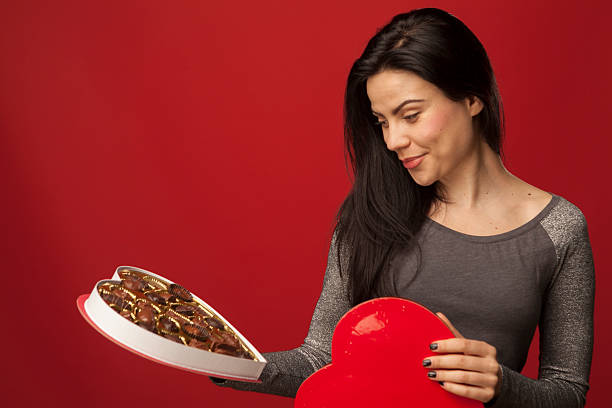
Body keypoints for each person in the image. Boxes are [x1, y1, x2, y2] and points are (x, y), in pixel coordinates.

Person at [210, 7, 595, 407]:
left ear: (472, 97)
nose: (393, 141)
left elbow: (567, 393)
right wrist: (223, 359)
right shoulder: (371, 214)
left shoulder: (559, 229)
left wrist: (500, 384)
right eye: (382, 121)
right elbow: (321, 360)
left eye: (410, 115)